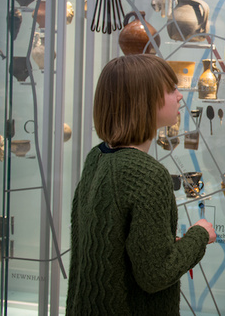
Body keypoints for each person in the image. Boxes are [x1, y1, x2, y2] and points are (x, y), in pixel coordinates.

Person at [67, 55, 216, 315]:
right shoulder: (147, 174)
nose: (179, 96)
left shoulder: (97, 157)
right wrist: (200, 235)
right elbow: (156, 274)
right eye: (171, 89)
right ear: (144, 100)